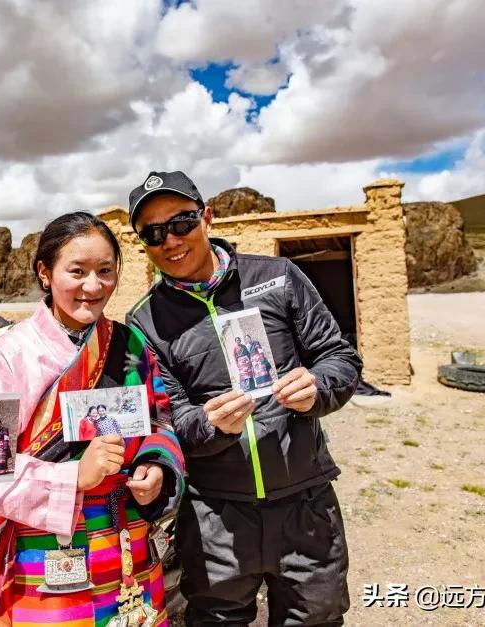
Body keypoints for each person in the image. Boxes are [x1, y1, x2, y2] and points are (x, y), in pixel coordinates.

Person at [126, 172, 362, 626]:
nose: (170, 240)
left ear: (207, 217)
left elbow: (339, 357)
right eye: (153, 234)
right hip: (215, 512)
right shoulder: (145, 321)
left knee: (317, 618)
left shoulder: (277, 277)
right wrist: (209, 424)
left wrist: (318, 387)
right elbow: (167, 417)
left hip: (304, 500)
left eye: (181, 223)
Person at [0, 212, 186, 626]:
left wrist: (156, 467)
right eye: (77, 271)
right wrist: (73, 477)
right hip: (47, 553)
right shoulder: (12, 355)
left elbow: (160, 421)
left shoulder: (130, 345)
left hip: (128, 542)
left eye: (105, 271)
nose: (93, 286)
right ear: (45, 273)